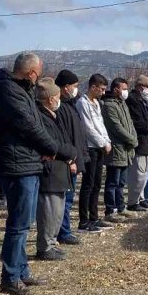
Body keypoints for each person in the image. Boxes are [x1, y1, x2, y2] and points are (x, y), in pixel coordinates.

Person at [0, 52, 56, 295]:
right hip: (16, 164)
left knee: (25, 223)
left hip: (28, 161)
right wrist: (52, 149)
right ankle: (10, 276)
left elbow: (35, 124)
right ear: (31, 72)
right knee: (18, 224)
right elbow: (27, 125)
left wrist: (46, 149)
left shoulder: (21, 89)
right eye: (39, 72)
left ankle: (22, 270)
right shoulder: (7, 90)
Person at [34, 79, 76, 261]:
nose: (59, 100)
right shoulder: (41, 117)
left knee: (57, 212)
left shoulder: (53, 116)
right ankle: (45, 247)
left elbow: (65, 144)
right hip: (50, 172)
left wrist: (68, 152)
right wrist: (66, 152)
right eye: (58, 97)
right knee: (49, 212)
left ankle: (51, 243)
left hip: (59, 170)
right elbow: (54, 145)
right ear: (51, 99)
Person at [55, 70, 88, 246]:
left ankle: (64, 230)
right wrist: (71, 160)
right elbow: (63, 136)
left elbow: (77, 134)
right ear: (66, 87)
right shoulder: (59, 107)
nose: (76, 89)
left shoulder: (70, 104)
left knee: (68, 197)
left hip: (74, 157)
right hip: (66, 161)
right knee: (65, 199)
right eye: (75, 86)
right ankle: (63, 232)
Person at [76, 73, 111, 237]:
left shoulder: (97, 103)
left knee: (97, 183)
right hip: (90, 147)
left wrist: (107, 140)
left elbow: (100, 125)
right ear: (93, 87)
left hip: (100, 147)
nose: (103, 92)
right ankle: (84, 221)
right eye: (102, 89)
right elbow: (88, 128)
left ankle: (94, 217)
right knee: (88, 184)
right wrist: (102, 142)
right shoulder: (82, 103)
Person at [101, 78, 136, 226]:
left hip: (126, 149)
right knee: (112, 182)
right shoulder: (109, 105)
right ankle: (110, 210)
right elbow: (116, 127)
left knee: (121, 182)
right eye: (123, 88)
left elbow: (130, 123)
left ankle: (121, 207)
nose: (125, 91)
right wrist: (131, 140)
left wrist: (134, 138)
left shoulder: (122, 104)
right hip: (116, 149)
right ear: (115, 89)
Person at [125, 75, 148, 213]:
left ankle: (141, 198)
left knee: (144, 174)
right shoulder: (133, 101)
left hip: (147, 141)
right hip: (140, 143)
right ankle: (133, 201)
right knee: (138, 174)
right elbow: (138, 121)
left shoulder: (142, 101)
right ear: (140, 87)